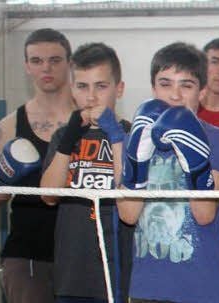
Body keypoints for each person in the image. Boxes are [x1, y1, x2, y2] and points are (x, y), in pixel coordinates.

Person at [117, 42, 219, 302]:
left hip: (202, 286)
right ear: (152, 88)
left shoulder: (217, 139)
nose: (175, 95)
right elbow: (128, 215)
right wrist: (138, 157)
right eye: (165, 83)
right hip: (147, 286)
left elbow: (204, 215)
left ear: (202, 92)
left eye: (186, 85)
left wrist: (194, 153)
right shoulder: (133, 137)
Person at [38, 42, 133, 303]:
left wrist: (116, 137)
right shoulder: (63, 137)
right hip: (74, 272)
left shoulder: (132, 135)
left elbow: (131, 195)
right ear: (72, 91)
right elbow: (48, 196)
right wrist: (68, 140)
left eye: (101, 86)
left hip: (120, 271)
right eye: (82, 86)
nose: (91, 97)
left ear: (119, 89)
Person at [0, 28, 76, 303]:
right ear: (27, 66)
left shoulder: (90, 121)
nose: (46, 67)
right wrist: (4, 177)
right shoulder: (9, 126)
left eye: (54, 59)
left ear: (69, 63)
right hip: (27, 252)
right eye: (37, 60)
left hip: (81, 251)